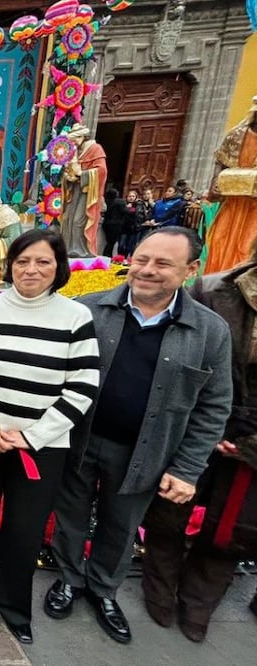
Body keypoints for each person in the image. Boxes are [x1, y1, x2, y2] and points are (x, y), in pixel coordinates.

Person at [45, 227, 232, 645]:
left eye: (163, 264)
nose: (146, 270)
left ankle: (103, 590)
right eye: (142, 259)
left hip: (145, 451)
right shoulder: (88, 310)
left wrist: (187, 469)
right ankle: (70, 580)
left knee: (121, 525)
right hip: (79, 441)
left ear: (191, 270)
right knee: (71, 516)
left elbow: (214, 406)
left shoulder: (209, 332)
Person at [0, 229, 100, 645]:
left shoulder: (75, 317)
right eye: (23, 261)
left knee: (25, 525)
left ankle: (13, 606)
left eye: (42, 262)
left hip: (41, 445)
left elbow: (82, 387)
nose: (31, 269)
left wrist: (33, 436)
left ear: (58, 268)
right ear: (10, 265)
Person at [140, 245, 257, 642]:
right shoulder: (213, 289)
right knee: (169, 511)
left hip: (254, 442)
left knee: (235, 529)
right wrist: (216, 427)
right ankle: (158, 593)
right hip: (196, 423)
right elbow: (178, 358)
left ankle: (199, 604)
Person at [204, 95, 257, 274]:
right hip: (233, 202)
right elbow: (220, 161)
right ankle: (215, 281)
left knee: (248, 246)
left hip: (255, 207)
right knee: (220, 240)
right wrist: (215, 181)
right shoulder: (236, 134)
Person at [59, 124, 108, 258]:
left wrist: (82, 174)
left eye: (75, 140)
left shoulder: (95, 149)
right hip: (75, 191)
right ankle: (67, 248)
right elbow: (69, 171)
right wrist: (68, 178)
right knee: (67, 219)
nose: (73, 143)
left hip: (87, 194)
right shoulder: (75, 152)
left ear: (82, 137)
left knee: (78, 221)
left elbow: (102, 171)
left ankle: (81, 250)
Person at [101, 188, 127, 257]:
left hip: (106, 224)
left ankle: (107, 255)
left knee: (109, 241)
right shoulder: (120, 202)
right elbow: (124, 211)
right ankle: (107, 255)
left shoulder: (106, 201)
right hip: (116, 225)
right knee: (112, 242)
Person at [119, 189, 145, 258]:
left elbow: (138, 215)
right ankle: (119, 257)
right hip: (123, 228)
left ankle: (125, 258)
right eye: (130, 196)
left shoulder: (139, 205)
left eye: (133, 196)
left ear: (136, 197)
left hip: (133, 228)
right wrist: (126, 209)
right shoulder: (123, 204)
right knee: (121, 245)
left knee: (129, 246)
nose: (131, 197)